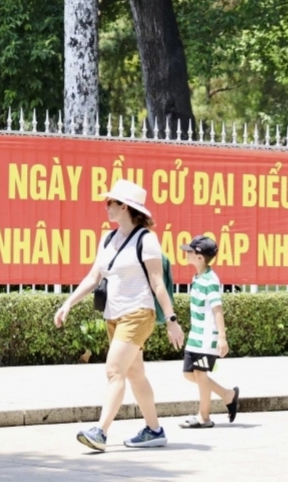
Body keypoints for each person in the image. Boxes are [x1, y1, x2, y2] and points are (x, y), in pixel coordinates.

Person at [54, 179, 185, 452]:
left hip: (138, 313)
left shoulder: (146, 239)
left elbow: (158, 283)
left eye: (110, 202)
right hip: (113, 316)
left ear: (124, 206)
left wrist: (172, 321)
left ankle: (100, 433)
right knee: (135, 373)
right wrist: (68, 303)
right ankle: (154, 430)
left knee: (114, 371)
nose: (106, 206)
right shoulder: (108, 238)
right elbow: (93, 277)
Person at [177, 235, 240, 429]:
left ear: (200, 257)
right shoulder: (198, 277)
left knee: (199, 373)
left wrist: (221, 337)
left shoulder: (210, 280)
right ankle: (227, 394)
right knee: (189, 374)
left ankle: (204, 416)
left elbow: (217, 309)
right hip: (195, 337)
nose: (186, 253)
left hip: (206, 338)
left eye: (190, 251)